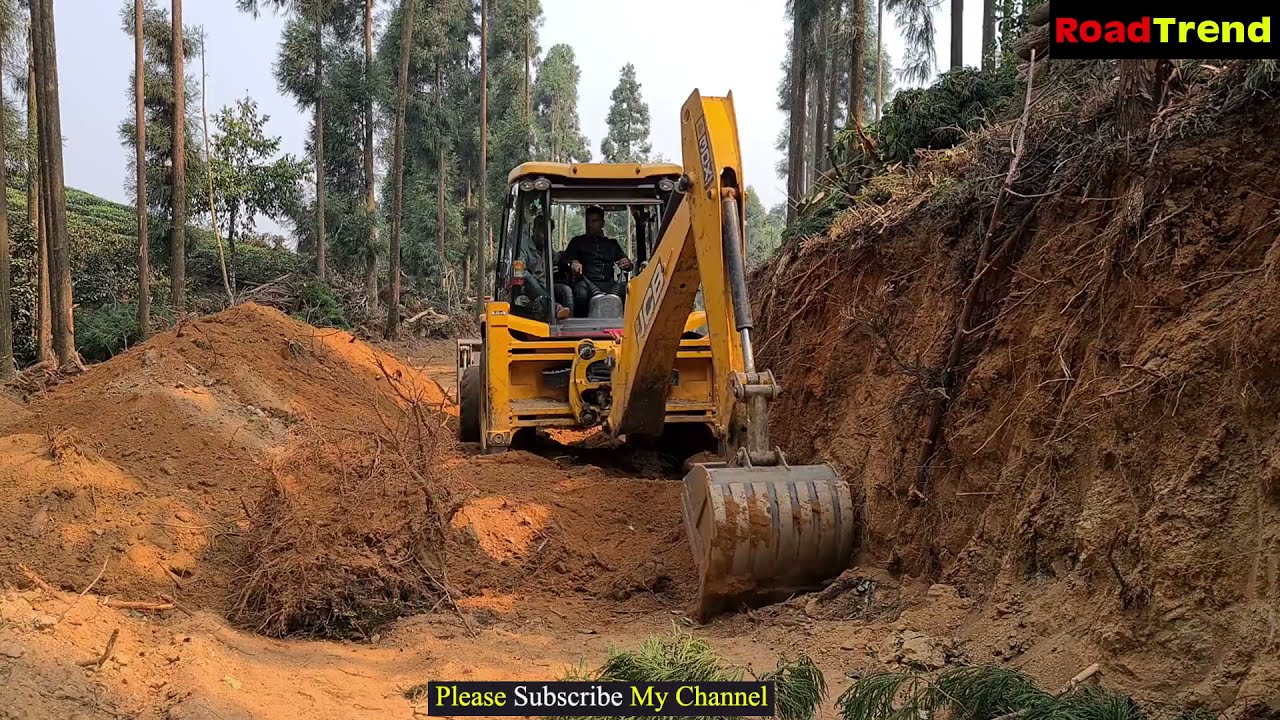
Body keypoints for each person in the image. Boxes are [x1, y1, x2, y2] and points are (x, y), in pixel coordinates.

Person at [560, 205, 632, 315]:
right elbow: (563, 262)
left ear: (602, 223)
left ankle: (625, 324)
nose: (590, 225)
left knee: (629, 290)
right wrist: (573, 263)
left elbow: (628, 266)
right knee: (581, 293)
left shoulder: (612, 244)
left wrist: (627, 263)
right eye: (588, 221)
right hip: (585, 282)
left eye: (594, 221)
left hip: (609, 283)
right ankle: (580, 324)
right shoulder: (577, 242)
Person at [517, 215, 572, 320]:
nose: (544, 236)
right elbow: (520, 269)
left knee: (566, 290)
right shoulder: (523, 247)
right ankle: (556, 308)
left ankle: (569, 322)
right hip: (529, 289)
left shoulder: (547, 248)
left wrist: (573, 259)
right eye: (542, 232)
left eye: (548, 233)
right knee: (530, 280)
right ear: (534, 230)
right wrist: (533, 282)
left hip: (546, 286)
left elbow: (557, 258)